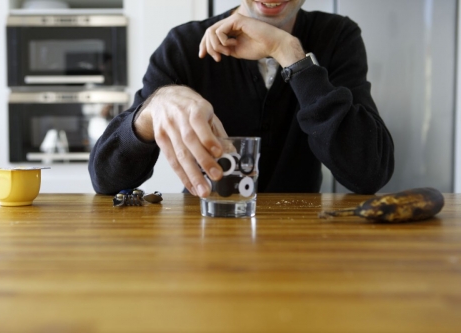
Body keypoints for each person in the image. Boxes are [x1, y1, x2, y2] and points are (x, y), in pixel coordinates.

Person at [88, 0, 394, 197]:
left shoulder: (338, 36)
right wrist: (149, 113)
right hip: (206, 236)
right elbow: (105, 179)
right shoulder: (183, 44)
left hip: (305, 242)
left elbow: (368, 172)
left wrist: (290, 54)